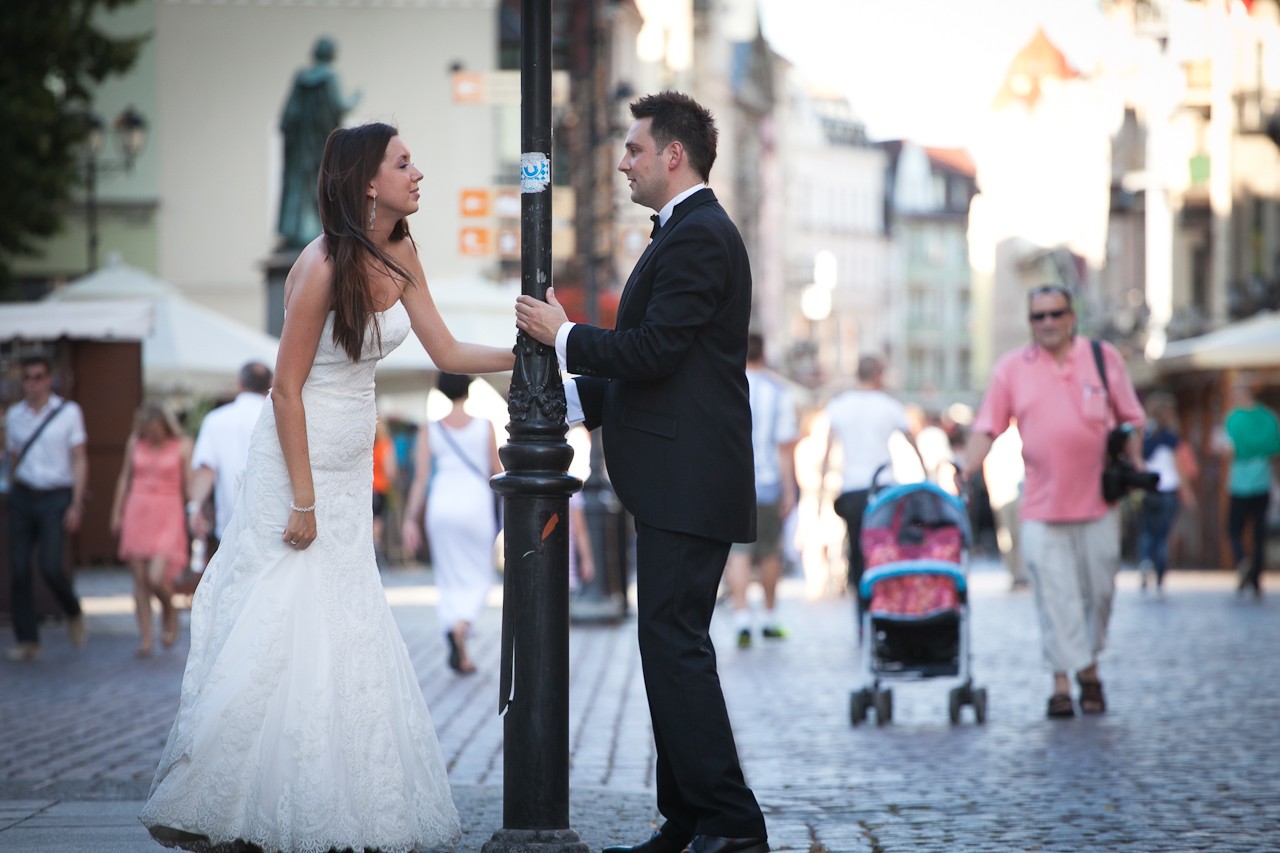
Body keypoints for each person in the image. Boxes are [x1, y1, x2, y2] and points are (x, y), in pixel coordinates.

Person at [139, 122, 514, 852]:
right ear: (368, 182)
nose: (419, 173)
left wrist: (531, 347)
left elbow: (445, 349)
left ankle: (337, 792)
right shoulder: (318, 264)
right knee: (282, 615)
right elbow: (283, 389)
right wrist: (304, 499)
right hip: (297, 465)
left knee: (344, 619)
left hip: (348, 470)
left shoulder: (402, 251)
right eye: (405, 163)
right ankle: (234, 794)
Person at [515, 91, 768, 853]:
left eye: (632, 148)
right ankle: (687, 818)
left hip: (689, 480)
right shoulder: (684, 234)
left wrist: (567, 337)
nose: (621, 161)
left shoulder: (699, 236)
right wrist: (564, 402)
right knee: (668, 648)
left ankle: (732, 822)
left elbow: (655, 351)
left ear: (672, 155)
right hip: (677, 477)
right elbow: (660, 372)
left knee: (674, 646)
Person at [962, 284, 1144, 719]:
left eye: (1054, 314)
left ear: (1070, 316)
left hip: (1100, 503)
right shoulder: (1012, 368)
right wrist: (963, 470)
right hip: (1041, 509)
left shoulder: (1103, 358)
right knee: (1055, 597)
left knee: (1099, 593)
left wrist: (1136, 466)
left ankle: (1088, 665)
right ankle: (1067, 682)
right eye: (1037, 316)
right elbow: (988, 426)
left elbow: (1132, 419)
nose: (1046, 323)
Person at [401, 373, 502, 675]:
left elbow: (420, 479)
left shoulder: (429, 429)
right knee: (480, 571)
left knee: (447, 576)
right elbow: (496, 472)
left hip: (441, 504)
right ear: (469, 389)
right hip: (475, 504)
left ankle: (454, 630)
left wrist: (409, 520)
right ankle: (462, 625)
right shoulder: (485, 426)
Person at [4, 355, 89, 662]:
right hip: (24, 495)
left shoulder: (68, 412)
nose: (33, 383)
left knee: (52, 565)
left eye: (39, 376)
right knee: (20, 568)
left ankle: (72, 610)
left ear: (50, 378)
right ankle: (28, 641)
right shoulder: (14, 416)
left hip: (56, 496)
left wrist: (76, 503)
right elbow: (12, 459)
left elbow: (79, 458)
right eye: (28, 377)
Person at [820, 354, 917, 610]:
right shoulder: (890, 406)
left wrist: (822, 486)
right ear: (879, 374)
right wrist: (927, 475)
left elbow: (827, 451)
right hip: (883, 486)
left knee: (857, 546)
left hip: (851, 487)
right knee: (884, 546)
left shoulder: (839, 405)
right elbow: (912, 442)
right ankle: (882, 602)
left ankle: (862, 604)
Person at [724, 332, 798, 648]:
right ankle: (768, 618)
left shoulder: (726, 387)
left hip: (732, 481)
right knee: (769, 551)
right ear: (764, 354)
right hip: (767, 483)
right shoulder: (778, 392)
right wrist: (790, 489)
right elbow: (785, 447)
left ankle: (741, 618)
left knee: (738, 553)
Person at [110, 402, 193, 657]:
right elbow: (125, 477)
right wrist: (117, 511)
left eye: (155, 428)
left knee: (157, 577)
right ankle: (146, 637)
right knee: (139, 579)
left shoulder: (183, 446)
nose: (152, 434)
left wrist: (194, 512)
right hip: (138, 510)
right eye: (147, 429)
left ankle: (170, 609)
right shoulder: (135, 443)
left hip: (168, 511)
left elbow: (188, 484)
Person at [277, 36, 360, 249]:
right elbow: (338, 106)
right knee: (320, 184)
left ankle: (293, 230)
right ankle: (313, 231)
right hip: (320, 145)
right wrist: (355, 99)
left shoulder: (300, 78)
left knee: (298, 186)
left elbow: (289, 115)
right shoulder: (330, 77)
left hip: (300, 148)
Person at [186, 361, 273, 550]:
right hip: (272, 518)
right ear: (270, 385)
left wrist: (195, 508)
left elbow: (207, 470)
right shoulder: (274, 417)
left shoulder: (215, 420)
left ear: (240, 384)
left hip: (229, 520)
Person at [1220, 378, 1280, 599]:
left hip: (1240, 481)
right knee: (1259, 531)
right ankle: (1256, 579)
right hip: (1263, 479)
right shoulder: (1269, 417)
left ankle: (1242, 561)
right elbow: (1275, 448)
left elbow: (1226, 449)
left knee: (1234, 528)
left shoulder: (1233, 419)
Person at [1137, 392, 1187, 595]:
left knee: (1147, 531)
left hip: (1149, 487)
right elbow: (1178, 466)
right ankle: (1160, 575)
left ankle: (1146, 562)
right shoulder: (1170, 436)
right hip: (1168, 488)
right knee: (1163, 534)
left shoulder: (1144, 434)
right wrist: (1187, 491)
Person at [983, 423, 1027, 590]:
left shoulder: (1021, 433)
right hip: (1003, 492)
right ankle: (1015, 573)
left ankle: (1021, 572)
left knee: (1017, 534)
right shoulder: (996, 435)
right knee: (1007, 536)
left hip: (1017, 492)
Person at [372, 418, 397, 566]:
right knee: (378, 525)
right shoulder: (386, 445)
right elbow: (390, 471)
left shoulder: (370, 446)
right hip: (381, 489)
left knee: (370, 524)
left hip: (368, 489)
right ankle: (377, 555)